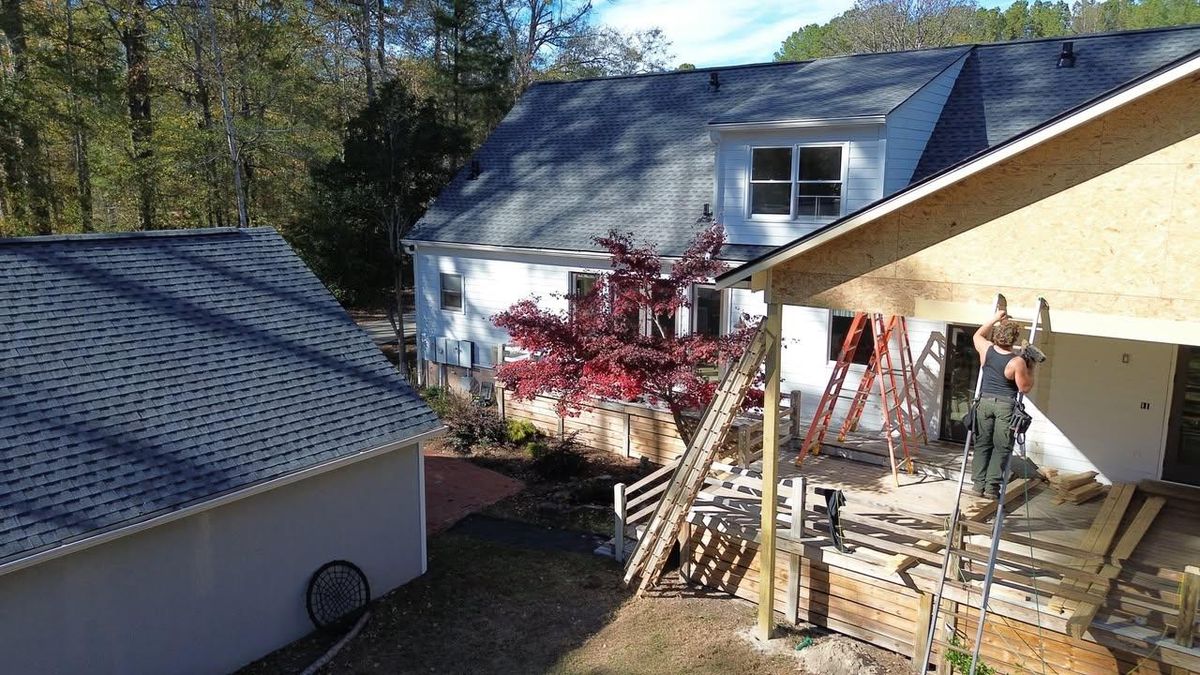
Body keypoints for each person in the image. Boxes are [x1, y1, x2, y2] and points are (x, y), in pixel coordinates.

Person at [970, 310, 1034, 499]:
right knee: (1001, 447)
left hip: (984, 402)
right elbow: (1025, 388)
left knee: (982, 444)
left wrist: (995, 318)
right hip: (1004, 406)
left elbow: (977, 335)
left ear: (997, 336)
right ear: (1013, 339)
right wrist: (1032, 367)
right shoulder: (1017, 362)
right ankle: (991, 488)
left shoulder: (986, 349)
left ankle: (977, 485)